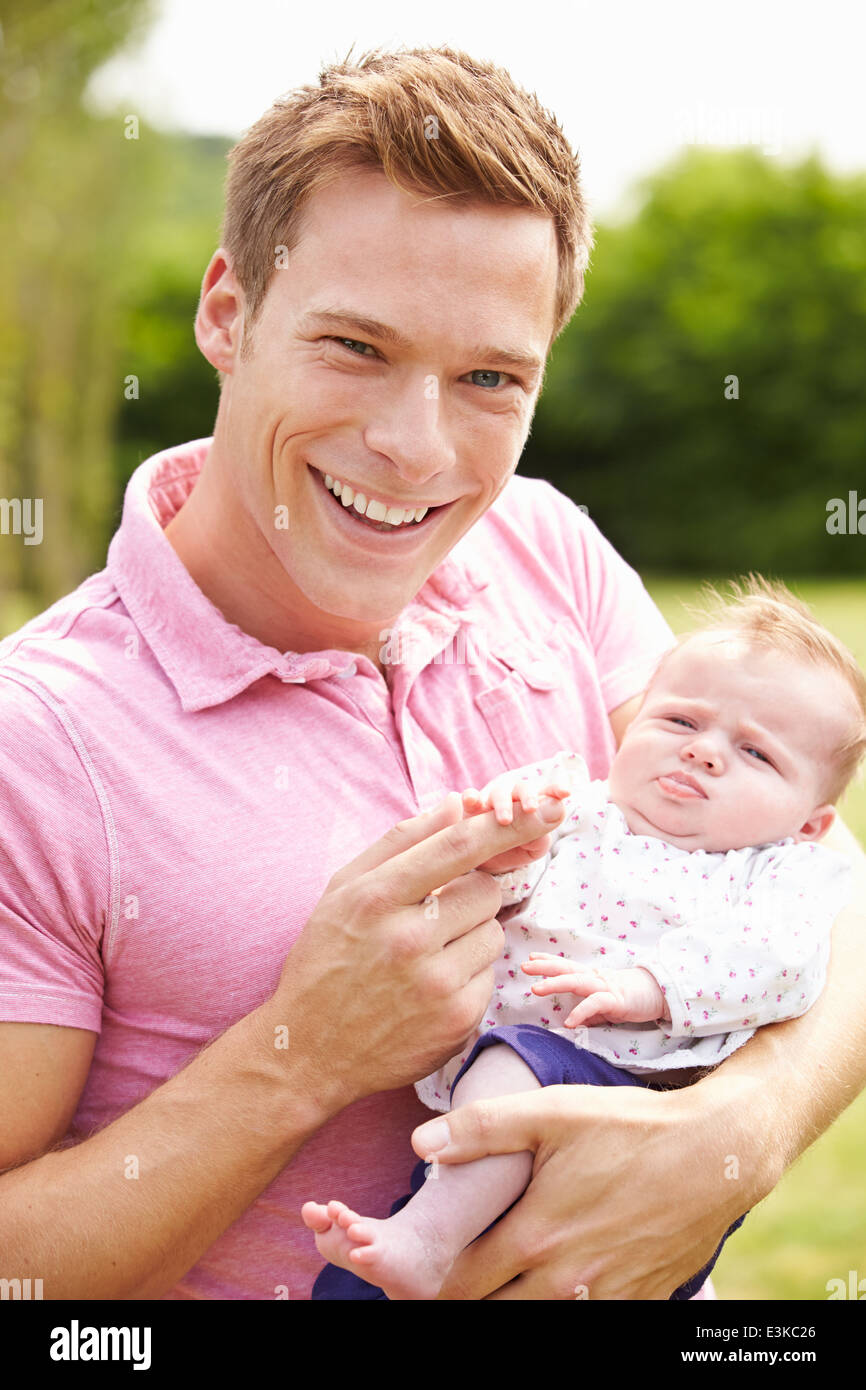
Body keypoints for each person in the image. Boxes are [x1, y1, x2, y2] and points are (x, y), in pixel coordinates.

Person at [0, 46, 864, 1302]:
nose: (413, 449)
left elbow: (823, 882)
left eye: (487, 380)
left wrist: (736, 1133)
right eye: (354, 346)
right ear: (227, 313)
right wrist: (299, 1055)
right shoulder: (36, 741)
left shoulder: (543, 545)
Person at [304, 580, 864, 1299]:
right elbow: (491, 896)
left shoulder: (782, 872)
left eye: (756, 753)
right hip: (511, 1092)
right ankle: (413, 1246)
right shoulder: (578, 812)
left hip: (640, 1098)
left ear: (811, 823)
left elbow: (780, 962)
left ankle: (426, 1239)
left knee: (518, 1094)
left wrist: (650, 988)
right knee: (368, 1277)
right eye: (681, 722)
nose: (705, 754)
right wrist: (500, 852)